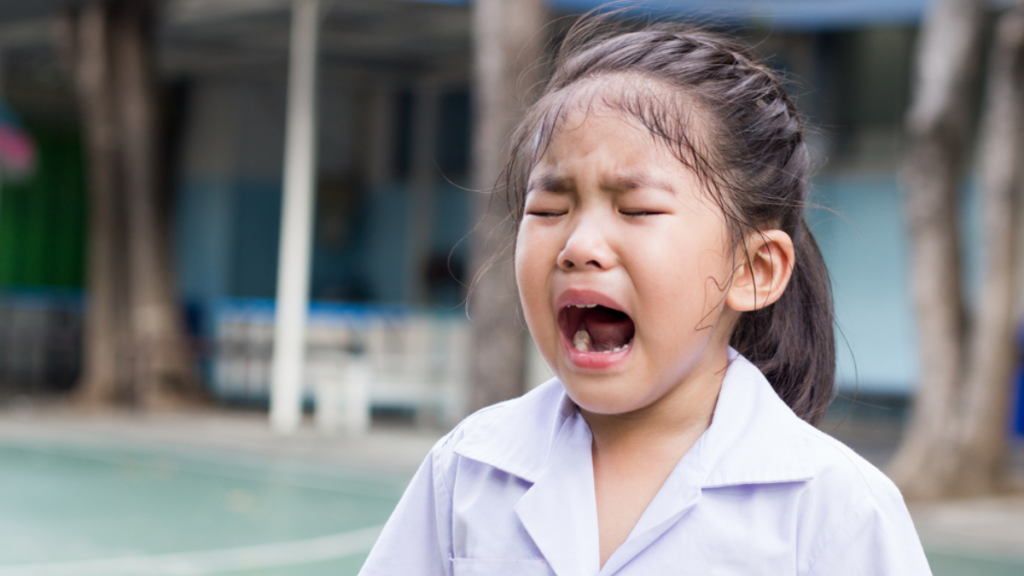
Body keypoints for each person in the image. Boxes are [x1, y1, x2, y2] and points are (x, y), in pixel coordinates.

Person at [360, 15, 932, 576]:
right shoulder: (466, 471)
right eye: (548, 210)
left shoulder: (838, 511)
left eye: (637, 210)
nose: (579, 246)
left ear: (755, 269)